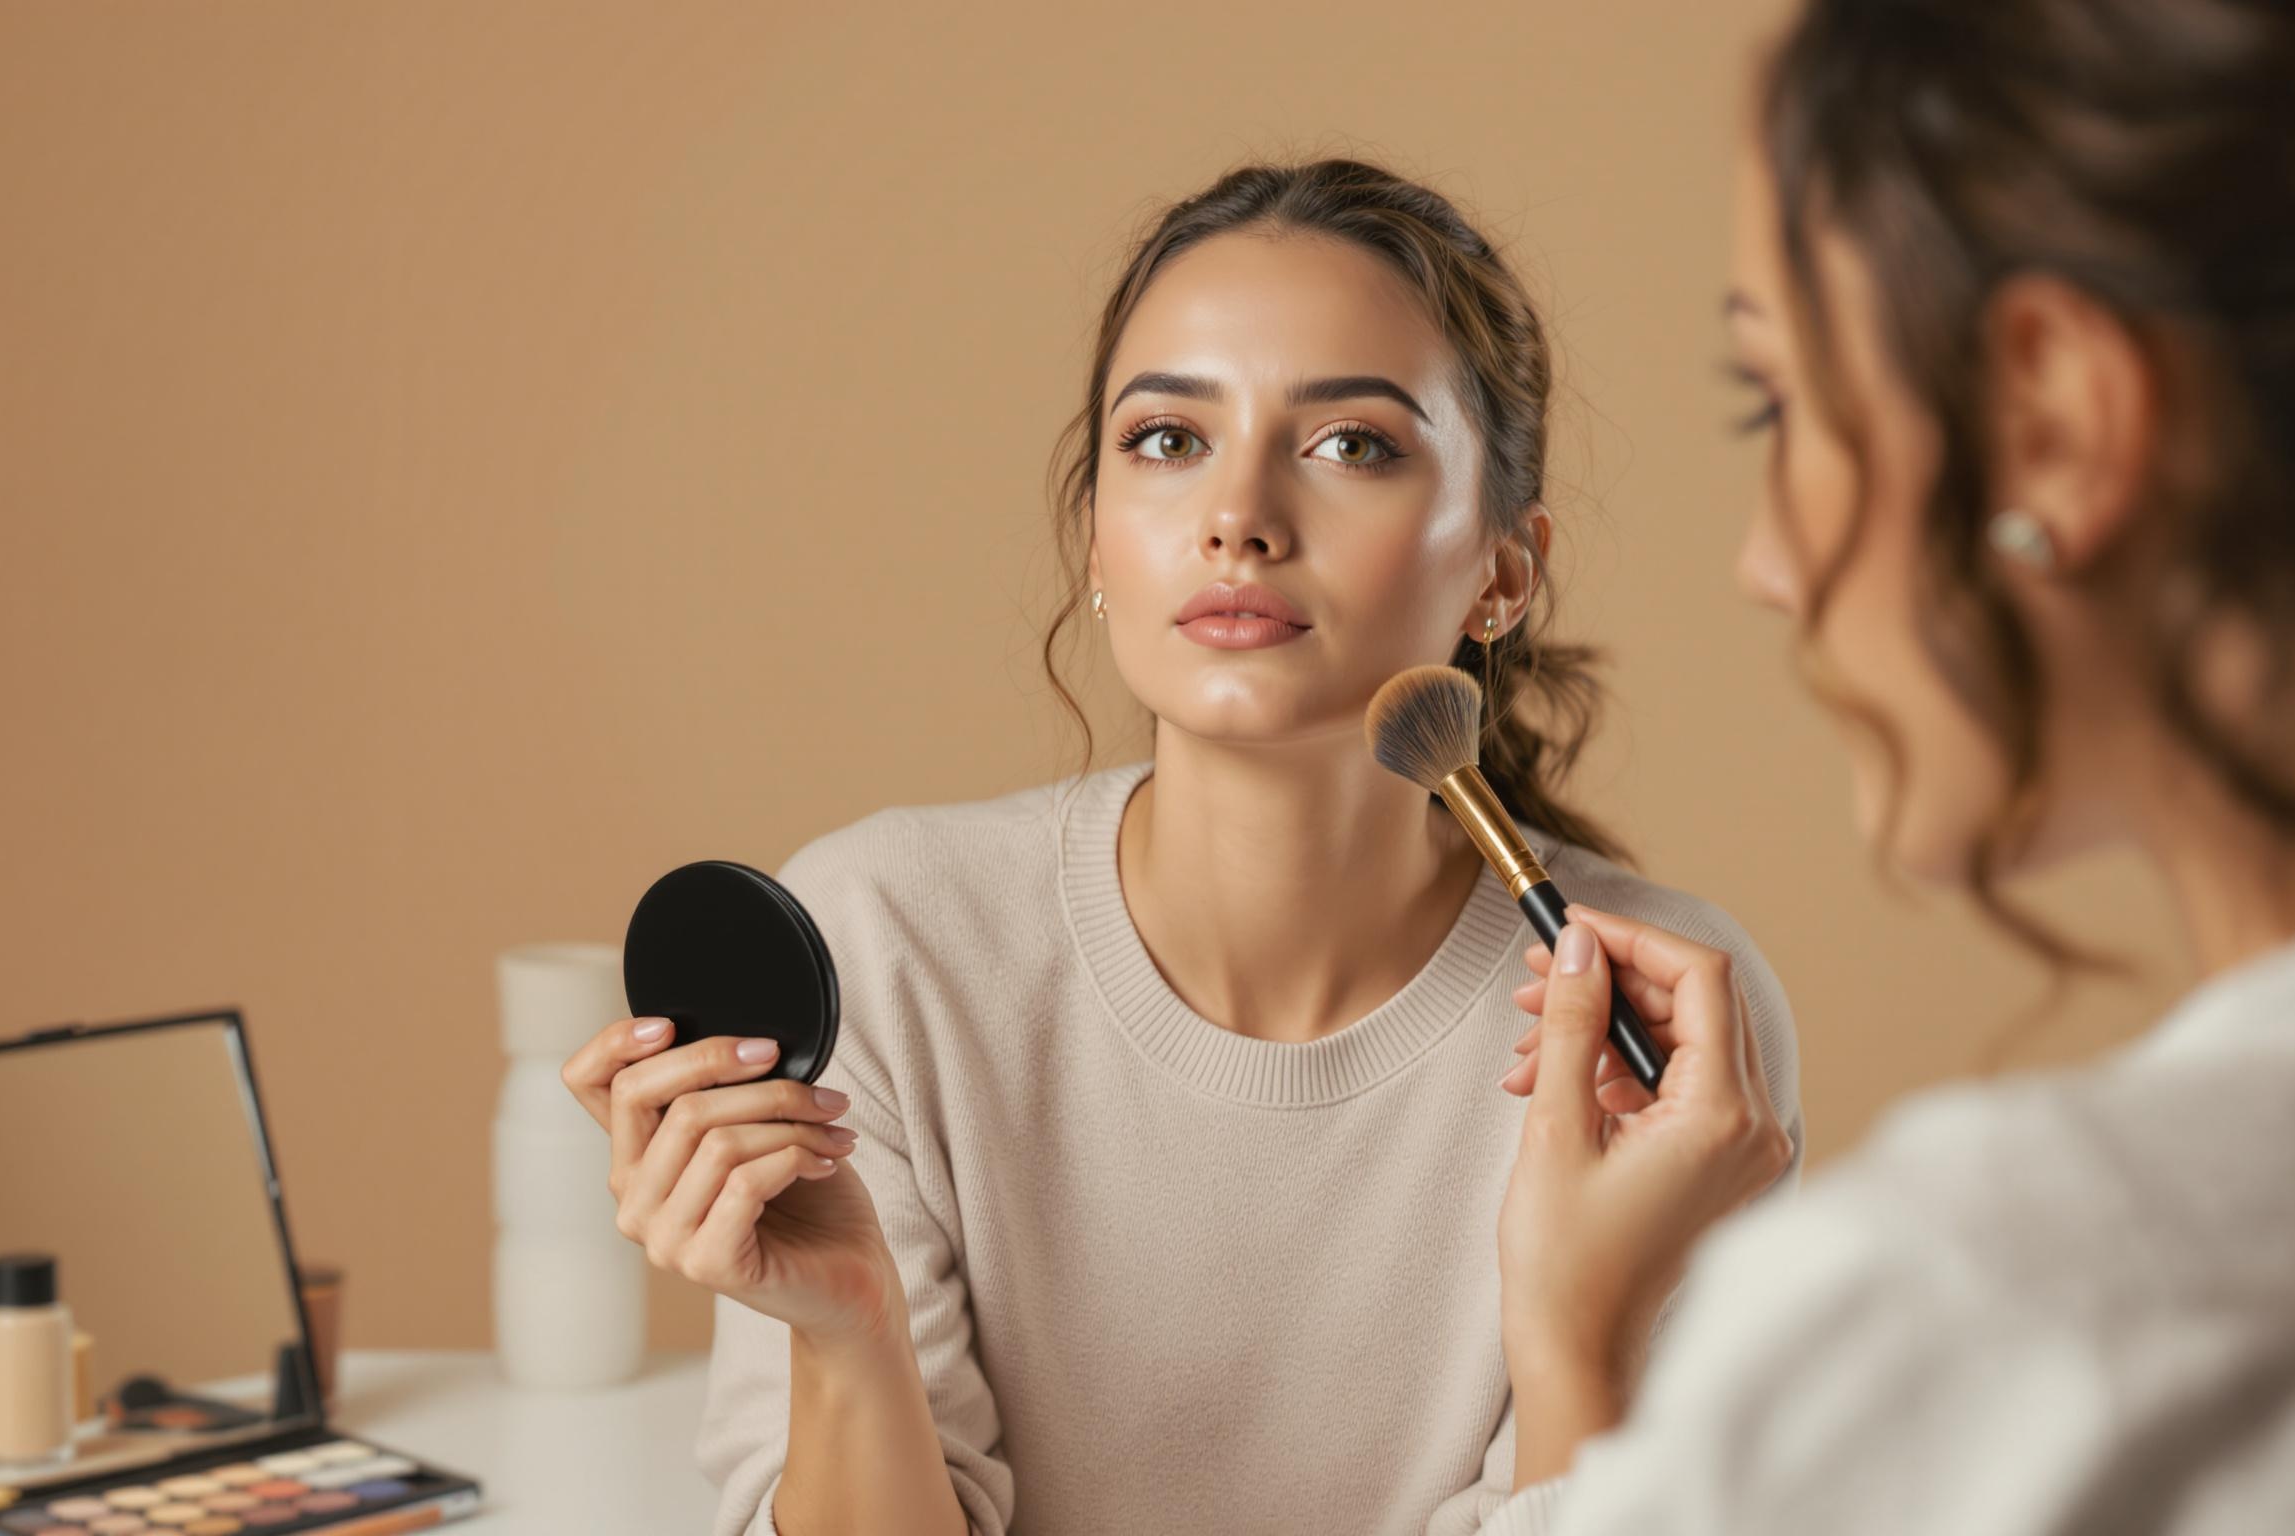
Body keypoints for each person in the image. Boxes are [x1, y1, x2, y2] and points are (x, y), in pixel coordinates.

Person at [560, 159, 1806, 1535]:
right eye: (1166, 439)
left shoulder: (1667, 1039)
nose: (1241, 518)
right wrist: (846, 1324)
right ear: (1096, 533)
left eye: (1352, 446)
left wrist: (1590, 1333)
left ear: (1502, 571)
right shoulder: (885, 945)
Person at [1491, 1, 2295, 1529]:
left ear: (2050, 418)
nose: (1767, 564)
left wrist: (1576, 1341)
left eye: (1774, 400)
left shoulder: (1998, 1317)